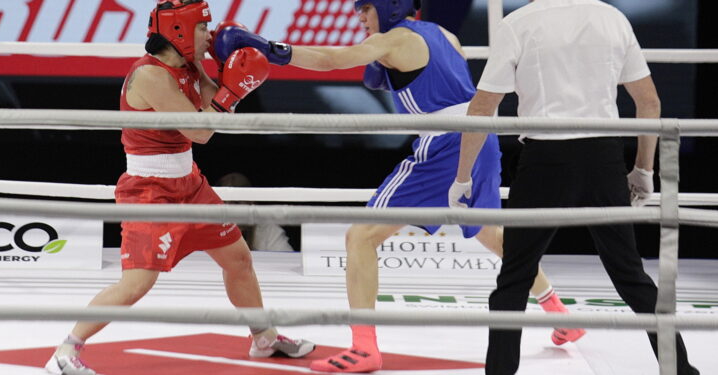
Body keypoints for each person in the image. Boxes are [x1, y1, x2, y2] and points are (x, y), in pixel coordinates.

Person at [213, 0, 582, 372]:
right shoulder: (445, 34)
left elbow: (331, 60)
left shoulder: (394, 41)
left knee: (361, 237)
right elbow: (448, 79)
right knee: (492, 232)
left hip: (446, 142)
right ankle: (561, 315)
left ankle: (363, 348)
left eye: (365, 8)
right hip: (480, 138)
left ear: (388, 7)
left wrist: (268, 48)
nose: (359, 16)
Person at [44, 2, 314, 374]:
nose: (210, 34)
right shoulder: (149, 77)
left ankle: (263, 337)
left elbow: (209, 109)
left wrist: (223, 76)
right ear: (180, 32)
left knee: (238, 260)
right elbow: (201, 131)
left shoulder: (190, 65)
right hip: (149, 191)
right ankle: (65, 351)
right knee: (136, 284)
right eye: (203, 28)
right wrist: (232, 92)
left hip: (190, 183)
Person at [451, 0, 701, 374]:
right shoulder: (612, 18)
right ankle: (681, 369)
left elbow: (483, 105)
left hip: (545, 161)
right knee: (631, 276)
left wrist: (463, 178)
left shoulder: (519, 22)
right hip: (603, 158)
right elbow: (649, 102)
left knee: (515, 278)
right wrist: (643, 169)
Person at [216, 172, 295, 251]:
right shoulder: (208, 228)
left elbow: (290, 261)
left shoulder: (268, 230)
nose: (229, 209)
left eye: (236, 202)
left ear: (251, 202)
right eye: (223, 203)